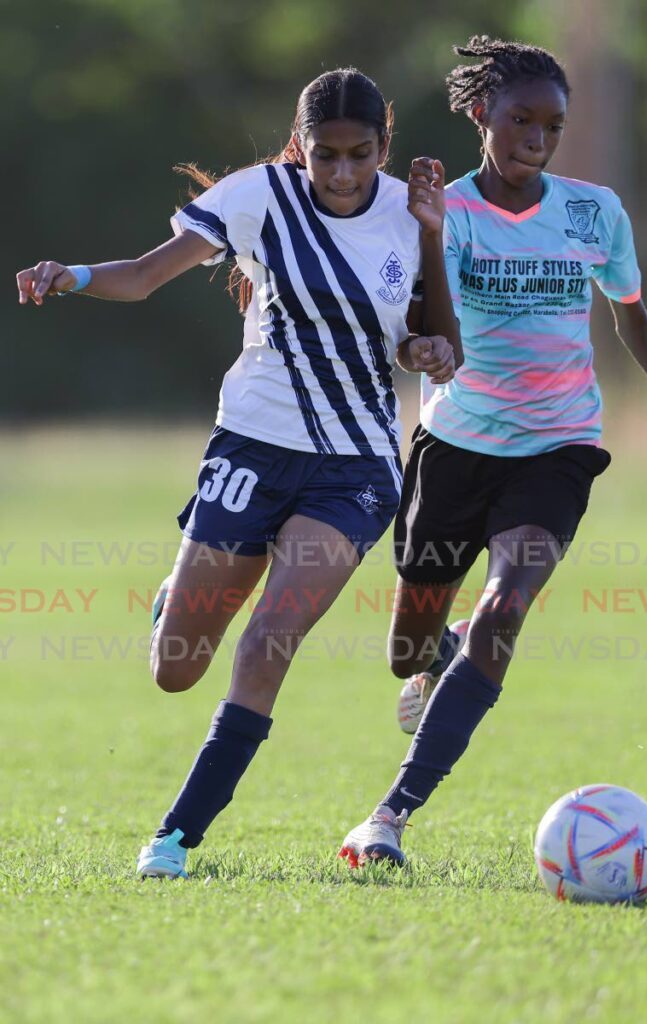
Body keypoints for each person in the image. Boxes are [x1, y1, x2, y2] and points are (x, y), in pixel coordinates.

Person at [338, 37, 647, 868]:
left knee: (507, 612)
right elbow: (420, 326)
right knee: (408, 648)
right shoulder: (442, 209)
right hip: (454, 445)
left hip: (560, 447)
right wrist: (431, 237)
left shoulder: (593, 212)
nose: (536, 139)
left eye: (552, 125)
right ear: (482, 115)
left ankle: (389, 817)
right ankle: (441, 650)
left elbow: (634, 321)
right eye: (520, 120)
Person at [16, 68, 460, 879]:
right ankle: (173, 594)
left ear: (383, 148)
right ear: (302, 148)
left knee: (266, 642)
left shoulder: (413, 212)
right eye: (325, 155)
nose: (342, 173)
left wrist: (430, 267)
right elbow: (148, 274)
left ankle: (176, 838)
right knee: (176, 667)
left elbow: (429, 345)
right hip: (250, 446)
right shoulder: (258, 196)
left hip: (354, 467)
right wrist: (72, 276)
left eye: (360, 155)